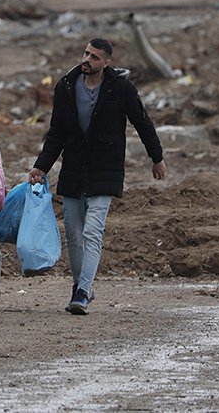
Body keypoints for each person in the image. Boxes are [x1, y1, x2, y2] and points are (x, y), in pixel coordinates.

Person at [28, 38, 165, 315]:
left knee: (93, 231)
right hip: (73, 170)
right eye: (86, 53)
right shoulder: (66, 86)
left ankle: (81, 293)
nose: (87, 59)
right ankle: (82, 286)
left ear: (106, 63)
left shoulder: (120, 88)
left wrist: (157, 157)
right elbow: (56, 133)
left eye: (94, 57)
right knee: (74, 236)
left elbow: (142, 121)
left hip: (106, 168)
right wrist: (41, 166)